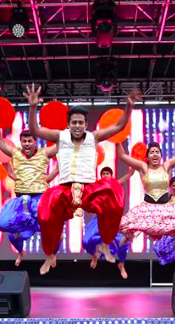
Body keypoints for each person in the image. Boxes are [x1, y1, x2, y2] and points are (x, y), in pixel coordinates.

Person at [25, 83, 138, 275]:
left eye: (80, 123)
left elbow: (119, 126)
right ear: (68, 124)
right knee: (45, 210)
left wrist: (128, 106)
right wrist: (33, 106)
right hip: (65, 189)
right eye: (74, 123)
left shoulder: (94, 137)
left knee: (113, 192)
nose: (77, 126)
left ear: (86, 125)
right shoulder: (60, 137)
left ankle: (105, 243)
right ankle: (50, 253)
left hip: (88, 189)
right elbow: (35, 131)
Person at [117, 141, 175, 259]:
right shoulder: (143, 167)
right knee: (124, 224)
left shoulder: (166, 166)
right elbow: (122, 155)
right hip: (147, 208)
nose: (155, 154)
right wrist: (117, 140)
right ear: (147, 157)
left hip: (164, 208)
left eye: (157, 152)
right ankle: (130, 234)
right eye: (152, 152)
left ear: (161, 155)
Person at [0, 126, 51, 267]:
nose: (27, 144)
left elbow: (61, 144)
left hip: (38, 199)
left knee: (52, 228)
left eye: (30, 141)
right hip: (22, 200)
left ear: (35, 142)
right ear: (20, 142)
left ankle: (50, 255)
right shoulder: (15, 153)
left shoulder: (44, 153)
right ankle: (21, 250)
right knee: (1, 224)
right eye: (24, 141)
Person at [82, 166, 135, 279]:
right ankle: (95, 255)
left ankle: (121, 264)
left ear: (111, 176)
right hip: (99, 219)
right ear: (101, 176)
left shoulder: (114, 184)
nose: (105, 175)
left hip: (112, 220)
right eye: (103, 174)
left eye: (108, 173)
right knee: (86, 241)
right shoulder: (97, 186)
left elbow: (122, 180)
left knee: (122, 242)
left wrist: (130, 173)